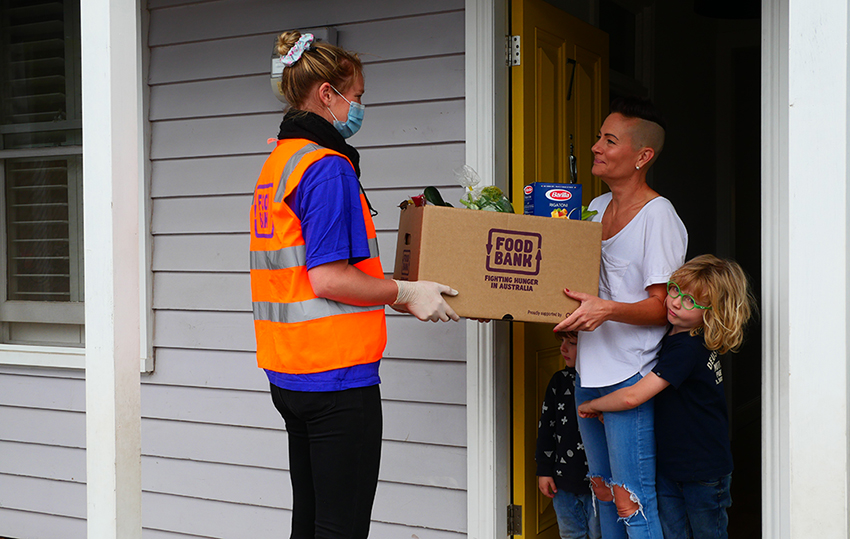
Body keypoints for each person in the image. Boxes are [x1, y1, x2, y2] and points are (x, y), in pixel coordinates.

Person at [250, 30, 459, 539]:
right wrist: (406, 292)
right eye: (357, 96)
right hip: (337, 378)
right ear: (327, 94)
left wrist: (396, 293)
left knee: (311, 522)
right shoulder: (327, 168)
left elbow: (309, 272)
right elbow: (328, 277)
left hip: (290, 372)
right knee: (340, 529)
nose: (360, 107)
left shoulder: (279, 162)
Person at [553, 96, 687, 539]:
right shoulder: (592, 208)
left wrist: (606, 309)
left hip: (631, 376)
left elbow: (663, 309)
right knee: (603, 493)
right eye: (599, 137)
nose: (595, 147)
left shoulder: (659, 216)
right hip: (588, 372)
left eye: (609, 140)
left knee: (633, 501)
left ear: (642, 156)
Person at [577, 255, 755, 539]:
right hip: (673, 467)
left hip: (703, 473)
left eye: (690, 301)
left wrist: (592, 404)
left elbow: (632, 397)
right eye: (675, 290)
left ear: (713, 313)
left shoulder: (688, 348)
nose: (675, 302)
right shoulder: (672, 336)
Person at [536, 331, 601, 539]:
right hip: (562, 481)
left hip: (598, 483)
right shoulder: (559, 381)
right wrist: (544, 470)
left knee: (599, 534)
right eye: (562, 341)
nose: (563, 348)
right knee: (571, 534)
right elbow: (546, 427)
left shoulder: (603, 383)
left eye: (572, 342)